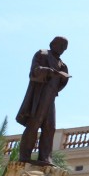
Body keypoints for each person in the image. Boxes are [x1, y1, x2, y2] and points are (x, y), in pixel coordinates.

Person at [16, 36, 70, 165]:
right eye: (61, 45)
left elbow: (61, 84)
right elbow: (34, 72)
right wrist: (49, 72)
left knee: (50, 127)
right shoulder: (42, 54)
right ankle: (25, 156)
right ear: (52, 44)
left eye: (64, 47)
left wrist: (62, 77)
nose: (62, 49)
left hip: (51, 97)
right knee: (34, 123)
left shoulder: (62, 65)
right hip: (39, 94)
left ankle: (45, 157)